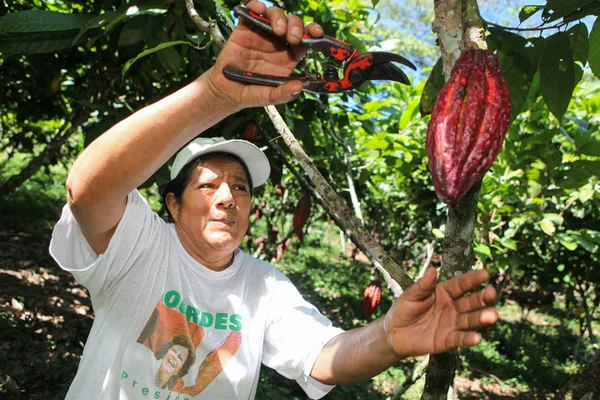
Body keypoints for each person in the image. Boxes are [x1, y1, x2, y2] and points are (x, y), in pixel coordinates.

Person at [49, 1, 499, 399]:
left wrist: (389, 338)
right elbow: (89, 192)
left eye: (240, 187)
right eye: (207, 186)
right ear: (172, 205)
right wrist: (216, 95)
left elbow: (321, 356)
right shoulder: (140, 247)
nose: (228, 197)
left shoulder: (262, 286)